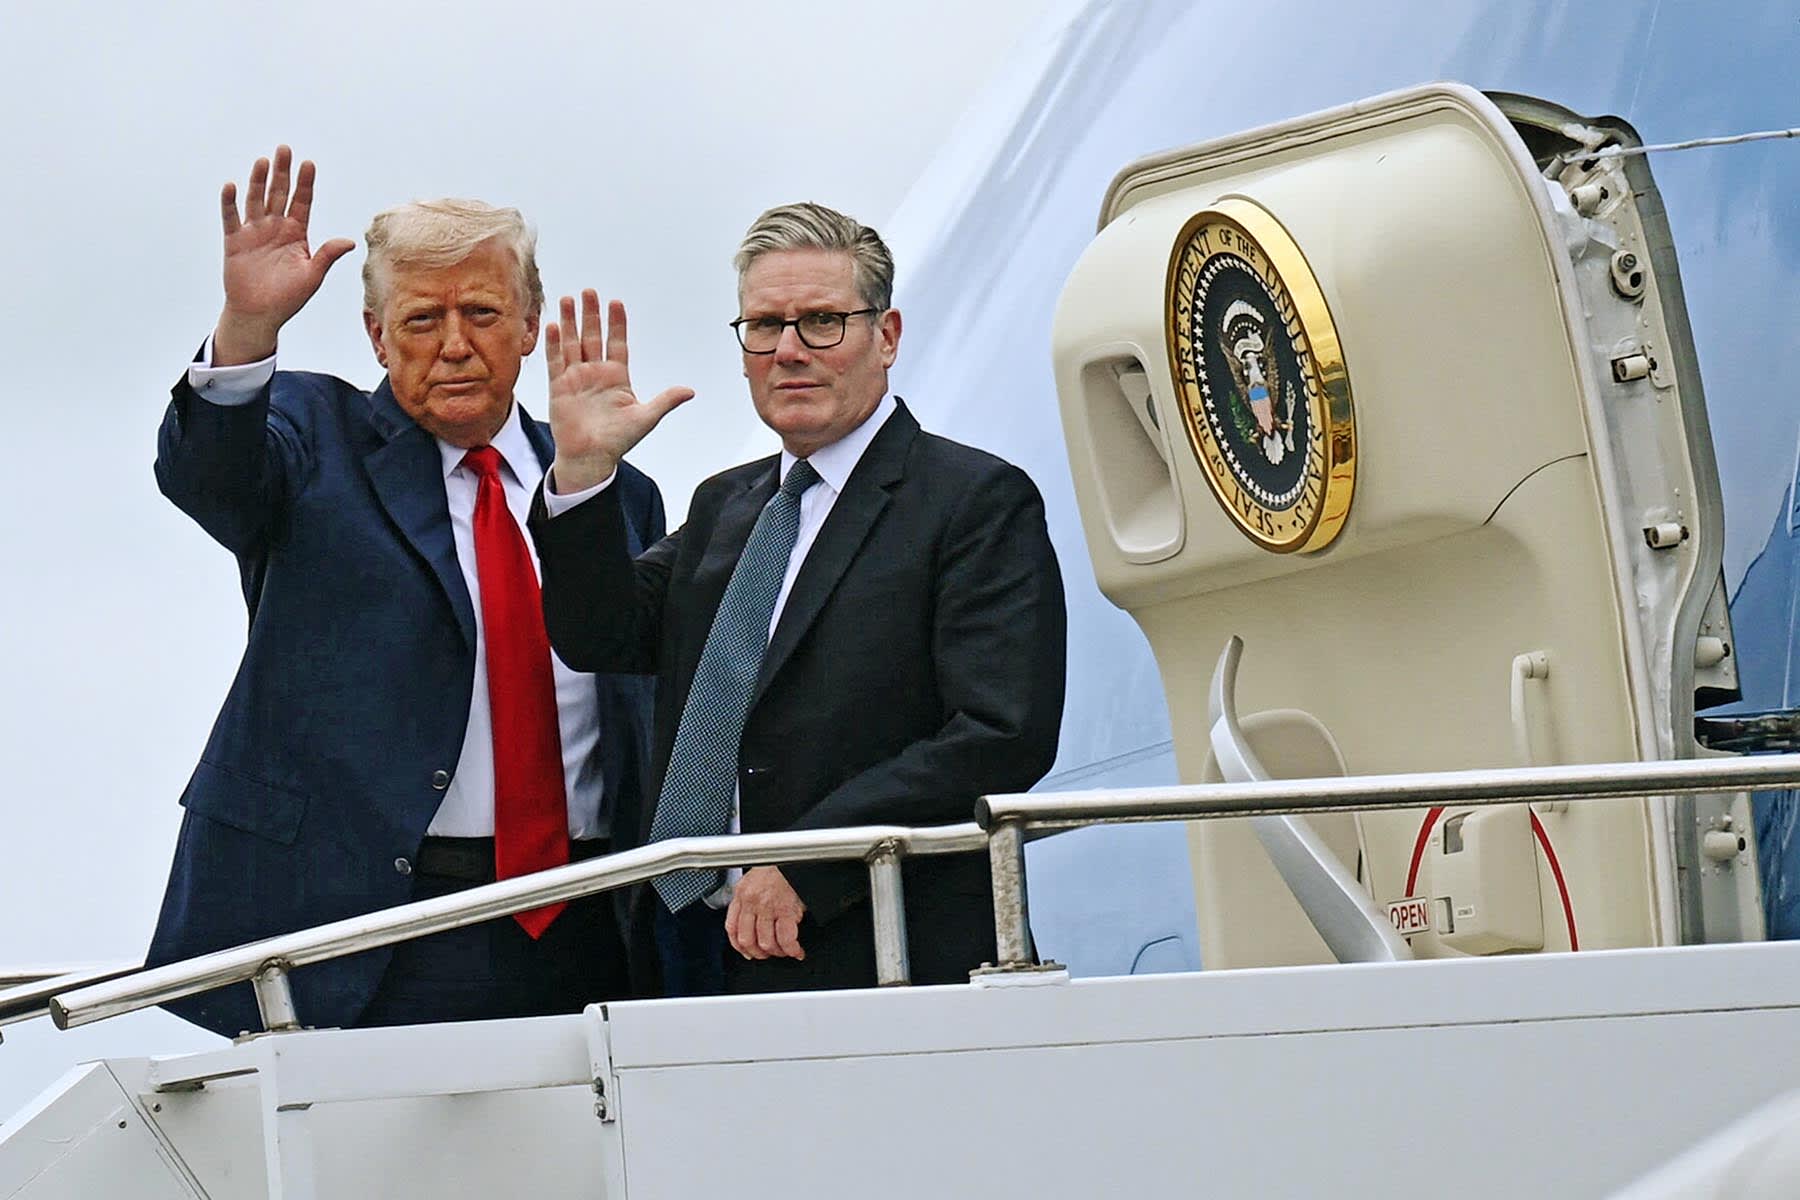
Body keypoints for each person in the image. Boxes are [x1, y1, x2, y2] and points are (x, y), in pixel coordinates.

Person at [145, 146, 677, 1035]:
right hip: (375, 929)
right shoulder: (315, 439)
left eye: (482, 313)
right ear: (376, 336)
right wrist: (246, 329)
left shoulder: (610, 490)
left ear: (530, 323)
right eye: (423, 319)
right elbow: (211, 476)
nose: (455, 345)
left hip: (587, 918)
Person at [529, 202, 1066, 995]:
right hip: (695, 946)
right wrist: (582, 474)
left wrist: (813, 861)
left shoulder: (973, 501)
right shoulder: (726, 505)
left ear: (886, 336)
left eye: (822, 322)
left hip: (881, 946)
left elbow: (1001, 732)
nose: (788, 350)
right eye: (764, 326)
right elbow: (602, 636)